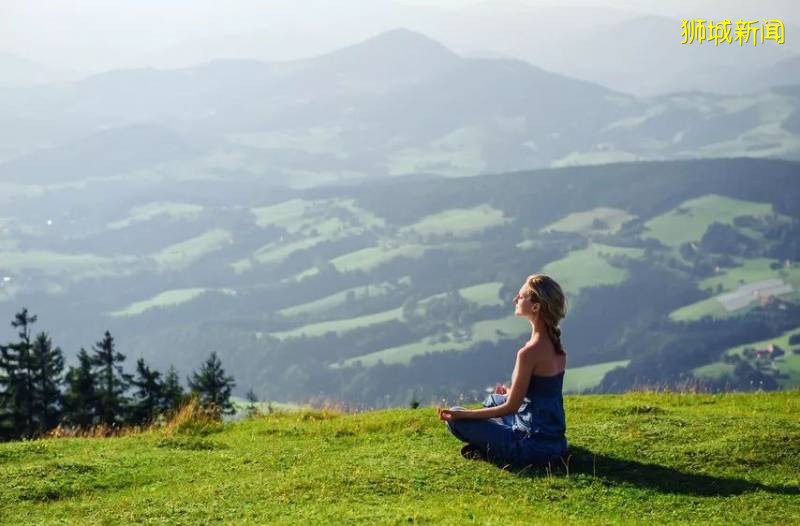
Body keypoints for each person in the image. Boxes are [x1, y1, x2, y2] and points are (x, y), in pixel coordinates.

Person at [437, 273, 568, 467]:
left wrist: (463, 414)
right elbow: (542, 396)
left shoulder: (529, 352)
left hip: (531, 446)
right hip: (556, 443)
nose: (515, 299)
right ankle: (492, 442)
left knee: (455, 419)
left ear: (535, 307)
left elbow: (511, 408)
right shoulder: (555, 346)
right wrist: (510, 392)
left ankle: (496, 451)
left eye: (521, 296)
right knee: (492, 399)